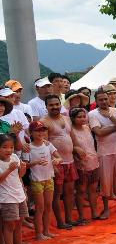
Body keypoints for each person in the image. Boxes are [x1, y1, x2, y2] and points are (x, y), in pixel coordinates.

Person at [88, 88, 116, 219]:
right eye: (100, 99)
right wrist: (115, 127)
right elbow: (98, 132)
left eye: (105, 99)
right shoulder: (92, 114)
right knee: (105, 180)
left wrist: (110, 118)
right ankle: (106, 209)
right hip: (105, 152)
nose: (104, 101)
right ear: (96, 101)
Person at [42, 95, 77, 229]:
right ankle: (60, 222)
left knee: (69, 191)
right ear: (46, 107)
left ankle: (68, 219)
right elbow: (44, 144)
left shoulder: (67, 118)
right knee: (57, 194)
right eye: (51, 105)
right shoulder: (44, 122)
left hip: (70, 160)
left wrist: (77, 149)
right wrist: (53, 163)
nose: (55, 107)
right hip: (57, 163)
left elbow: (71, 137)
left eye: (57, 104)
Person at [0, 133, 33, 244]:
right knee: (9, 226)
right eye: (4, 147)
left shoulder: (14, 157)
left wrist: (23, 169)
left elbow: (19, 176)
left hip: (19, 195)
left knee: (19, 225)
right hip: (7, 198)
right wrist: (9, 169)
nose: (9, 150)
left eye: (11, 147)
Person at [28, 120, 60, 240]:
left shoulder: (48, 145)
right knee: (40, 208)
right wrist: (36, 162)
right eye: (37, 130)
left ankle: (46, 231)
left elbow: (59, 157)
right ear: (31, 133)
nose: (41, 133)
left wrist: (57, 160)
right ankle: (38, 234)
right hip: (37, 180)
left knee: (48, 206)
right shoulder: (29, 148)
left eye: (43, 130)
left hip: (49, 178)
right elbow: (25, 165)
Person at [69, 107, 99, 223]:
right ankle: (81, 216)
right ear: (72, 118)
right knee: (81, 190)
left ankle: (94, 212)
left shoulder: (87, 128)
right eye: (79, 117)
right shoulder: (71, 130)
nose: (82, 119)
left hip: (94, 161)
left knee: (93, 188)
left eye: (83, 116)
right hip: (81, 164)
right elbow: (70, 147)